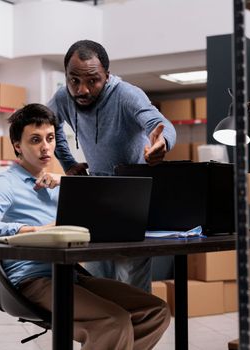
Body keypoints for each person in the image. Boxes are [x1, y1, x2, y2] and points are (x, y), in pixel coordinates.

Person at [0, 103, 171, 350]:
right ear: (17, 146)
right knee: (114, 322)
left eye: (50, 138)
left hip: (70, 275)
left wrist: (66, 183)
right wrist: (35, 230)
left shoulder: (55, 183)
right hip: (33, 281)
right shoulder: (7, 182)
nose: (46, 147)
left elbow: (95, 214)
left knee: (156, 310)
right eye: (35, 140)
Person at [48, 39, 177, 292]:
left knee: (131, 282)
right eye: (74, 80)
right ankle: (111, 330)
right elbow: (47, 124)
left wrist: (161, 142)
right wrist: (68, 162)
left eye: (92, 80)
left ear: (106, 76)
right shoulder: (64, 96)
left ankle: (139, 330)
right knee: (99, 281)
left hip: (132, 196)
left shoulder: (127, 95)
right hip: (95, 193)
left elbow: (161, 124)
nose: (82, 90)